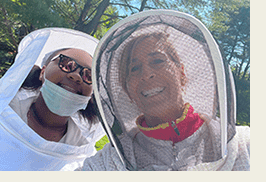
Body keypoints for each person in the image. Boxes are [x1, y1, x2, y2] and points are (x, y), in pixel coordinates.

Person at [82, 9, 250, 171]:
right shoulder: (105, 164)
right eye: (134, 69)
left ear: (181, 73)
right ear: (127, 90)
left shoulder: (247, 145)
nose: (146, 75)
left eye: (157, 61)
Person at [0, 28, 105, 171]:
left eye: (88, 76)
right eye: (66, 64)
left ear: (91, 95)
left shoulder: (86, 161)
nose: (76, 76)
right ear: (42, 72)